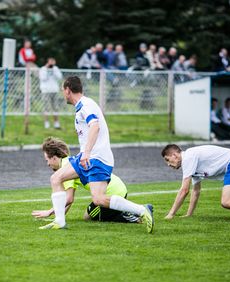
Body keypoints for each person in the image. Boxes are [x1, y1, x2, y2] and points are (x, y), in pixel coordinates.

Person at [39, 76, 154, 232]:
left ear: (67, 90)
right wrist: (84, 154)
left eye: (62, 90)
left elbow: (95, 126)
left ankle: (142, 210)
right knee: (56, 178)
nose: (62, 94)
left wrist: (86, 153)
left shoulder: (86, 105)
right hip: (86, 157)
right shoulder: (81, 106)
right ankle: (60, 221)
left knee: (98, 199)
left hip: (97, 158)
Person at [32, 137, 141, 223]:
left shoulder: (65, 168)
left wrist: (49, 212)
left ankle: (128, 216)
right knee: (89, 215)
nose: (47, 164)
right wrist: (60, 217)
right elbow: (68, 200)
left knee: (90, 216)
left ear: (54, 158)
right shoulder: (70, 162)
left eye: (47, 160)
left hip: (112, 192)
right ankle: (124, 211)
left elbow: (69, 199)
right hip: (118, 187)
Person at [39, 57, 63, 129]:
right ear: (47, 62)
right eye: (50, 62)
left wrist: (53, 70)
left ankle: (56, 123)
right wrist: (47, 69)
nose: (51, 64)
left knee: (55, 107)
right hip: (45, 90)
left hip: (54, 90)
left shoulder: (55, 68)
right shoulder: (43, 69)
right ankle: (46, 122)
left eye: (53, 62)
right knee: (46, 107)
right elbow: (43, 78)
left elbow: (60, 77)